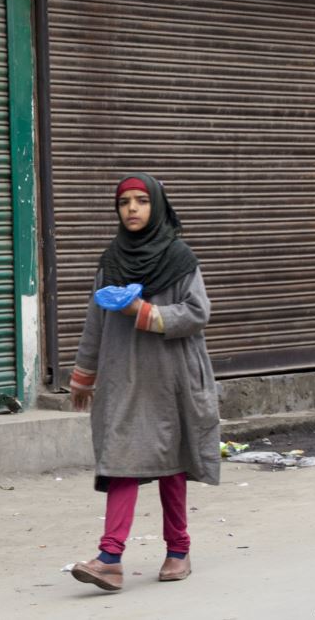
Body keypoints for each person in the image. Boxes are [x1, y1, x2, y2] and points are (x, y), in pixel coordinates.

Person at [68, 173, 219, 591]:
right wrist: (83, 376)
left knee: (171, 466)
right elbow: (94, 323)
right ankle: (110, 558)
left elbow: (197, 312)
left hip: (172, 377)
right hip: (123, 377)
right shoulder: (111, 260)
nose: (132, 209)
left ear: (157, 205)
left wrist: (144, 311)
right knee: (122, 463)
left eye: (140, 201)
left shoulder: (180, 256)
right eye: (123, 202)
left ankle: (178, 549)